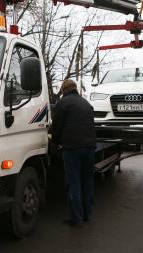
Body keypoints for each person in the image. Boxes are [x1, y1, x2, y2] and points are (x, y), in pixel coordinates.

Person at [51, 79, 96, 226]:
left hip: (72, 149)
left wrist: (54, 143)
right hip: (90, 148)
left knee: (74, 182)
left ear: (64, 90)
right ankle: (87, 214)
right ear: (75, 89)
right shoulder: (86, 104)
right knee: (87, 181)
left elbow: (56, 127)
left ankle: (76, 218)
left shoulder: (63, 104)